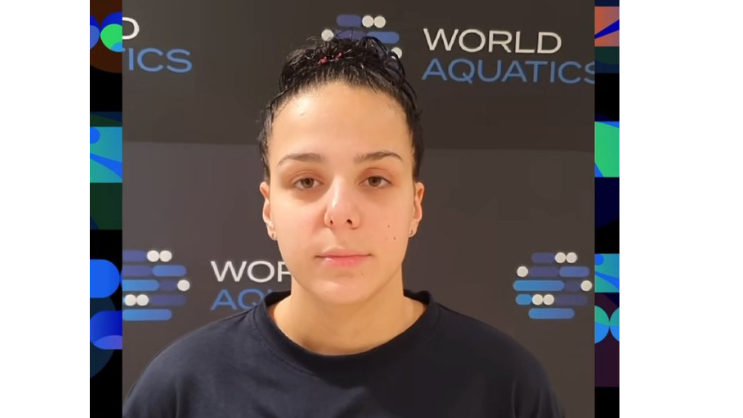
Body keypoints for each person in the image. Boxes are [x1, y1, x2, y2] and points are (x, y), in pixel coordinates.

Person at [123, 36, 565, 418]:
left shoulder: (506, 385)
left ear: (415, 206)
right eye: (306, 181)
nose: (340, 211)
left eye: (375, 180)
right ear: (269, 209)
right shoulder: (182, 387)